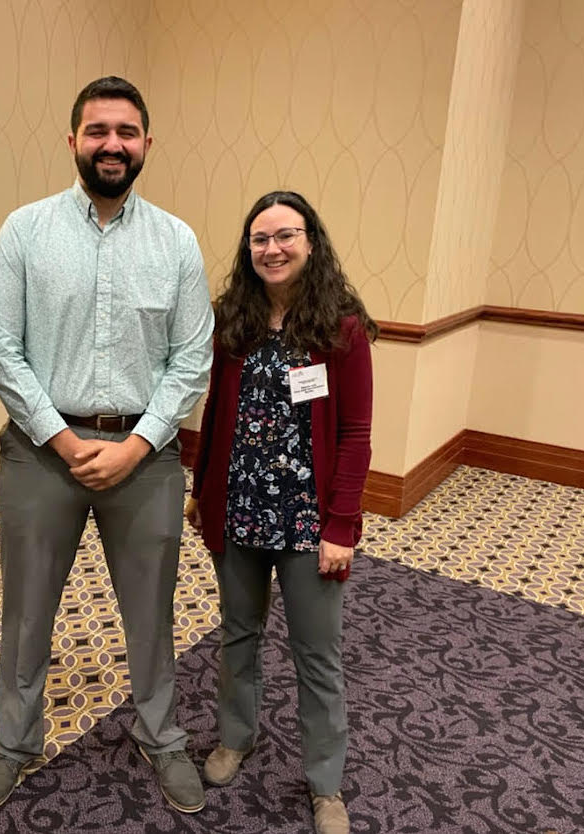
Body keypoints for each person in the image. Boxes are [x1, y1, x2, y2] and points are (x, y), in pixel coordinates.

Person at [0, 76, 214, 815]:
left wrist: (137, 447)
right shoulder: (25, 231)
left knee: (152, 609)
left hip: (148, 457)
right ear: (72, 139)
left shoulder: (176, 241)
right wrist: (63, 438)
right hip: (42, 455)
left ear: (146, 145)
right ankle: (15, 742)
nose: (113, 144)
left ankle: (160, 733)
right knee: (26, 609)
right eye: (98, 130)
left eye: (127, 132)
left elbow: (191, 358)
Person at [185, 191, 375, 834]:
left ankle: (326, 783)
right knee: (237, 634)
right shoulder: (233, 322)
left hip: (306, 522)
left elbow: (355, 434)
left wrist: (343, 526)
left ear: (310, 242)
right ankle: (236, 737)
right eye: (259, 239)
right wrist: (201, 489)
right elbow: (216, 414)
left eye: (285, 236)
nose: (272, 249)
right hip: (239, 511)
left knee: (315, 653)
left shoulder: (340, 329)